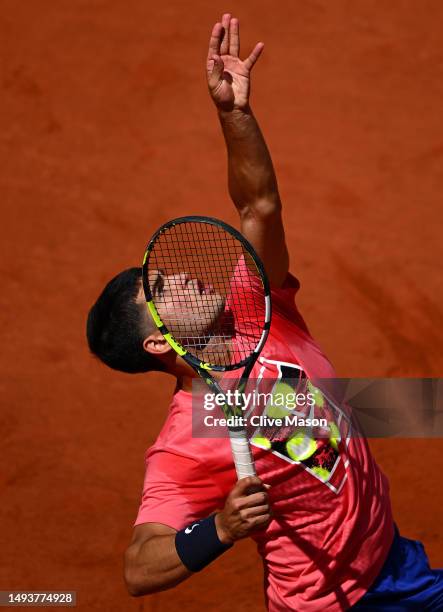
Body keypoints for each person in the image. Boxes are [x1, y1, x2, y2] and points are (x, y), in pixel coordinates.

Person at [86, 14, 443, 611]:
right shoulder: (184, 440)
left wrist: (234, 115)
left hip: (395, 562)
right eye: (166, 290)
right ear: (157, 344)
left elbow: (259, 203)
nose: (188, 279)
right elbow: (138, 568)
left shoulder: (256, 311)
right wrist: (220, 529)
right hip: (331, 605)